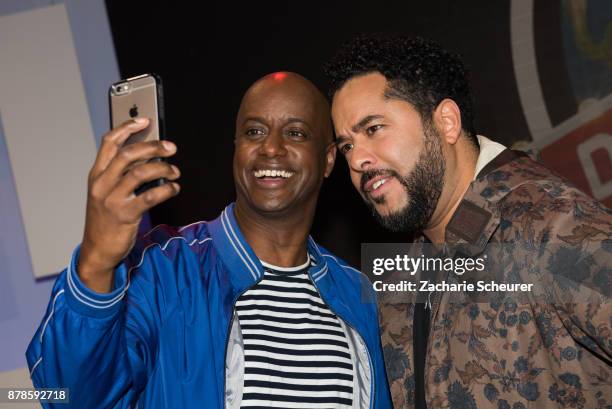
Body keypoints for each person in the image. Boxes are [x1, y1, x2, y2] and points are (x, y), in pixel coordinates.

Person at [26, 72, 392, 409]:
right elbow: (67, 397)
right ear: (236, 149)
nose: (271, 148)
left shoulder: (355, 292)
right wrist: (96, 262)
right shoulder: (162, 269)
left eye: (295, 133)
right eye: (254, 132)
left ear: (328, 159)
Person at [324, 35, 612, 409]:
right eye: (346, 145)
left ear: (446, 122)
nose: (357, 158)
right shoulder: (399, 279)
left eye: (374, 128)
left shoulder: (549, 225)